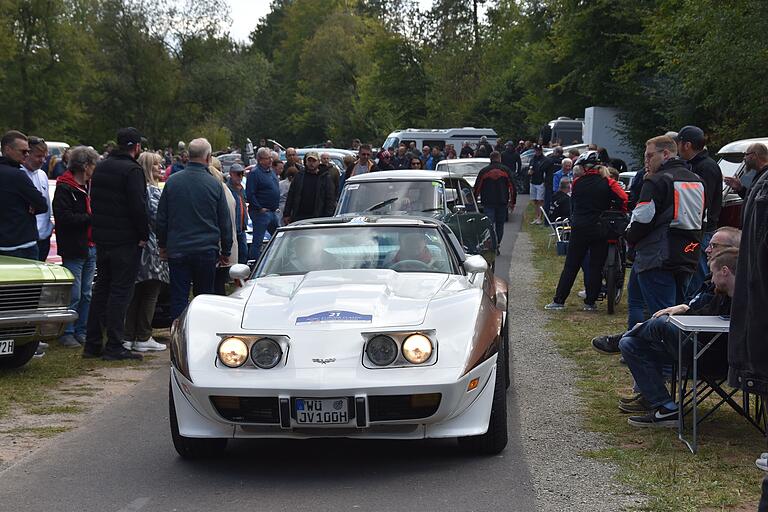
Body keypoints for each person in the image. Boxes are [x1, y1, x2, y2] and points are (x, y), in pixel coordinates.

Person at [617, 247, 738, 427]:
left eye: (713, 274)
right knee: (629, 344)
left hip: (719, 358)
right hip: (698, 348)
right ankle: (666, 408)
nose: (711, 279)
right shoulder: (718, 293)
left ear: (725, 271)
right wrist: (684, 309)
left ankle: (623, 336)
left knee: (661, 323)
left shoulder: (749, 298)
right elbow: (699, 313)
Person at [83, 127, 149, 361]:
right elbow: (137, 206)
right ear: (137, 147)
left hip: (103, 237)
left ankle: (92, 343)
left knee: (102, 288)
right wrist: (144, 233)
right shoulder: (132, 170)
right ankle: (114, 344)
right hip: (125, 239)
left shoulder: (101, 167)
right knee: (121, 292)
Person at [625, 135, 704, 321]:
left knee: (662, 316)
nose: (646, 161)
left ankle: (639, 347)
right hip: (687, 253)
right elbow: (704, 217)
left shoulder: (656, 181)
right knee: (677, 310)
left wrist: (628, 236)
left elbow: (642, 219)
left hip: (657, 255)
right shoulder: (697, 180)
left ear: (666, 154)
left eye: (650, 156)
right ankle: (634, 344)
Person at [156, 138, 232, 321]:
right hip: (206, 249)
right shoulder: (214, 184)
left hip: (178, 248)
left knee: (179, 296)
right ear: (207, 157)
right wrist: (226, 250)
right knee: (204, 298)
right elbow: (224, 221)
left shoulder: (172, 182)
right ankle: (201, 332)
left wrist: (163, 244)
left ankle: (178, 334)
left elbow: (162, 217)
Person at [545, 151, 628, 311]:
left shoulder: (577, 182)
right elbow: (623, 198)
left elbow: (574, 204)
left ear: (584, 168)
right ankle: (590, 303)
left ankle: (559, 301)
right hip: (600, 227)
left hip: (580, 227)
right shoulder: (608, 182)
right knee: (595, 266)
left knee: (571, 265)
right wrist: (618, 208)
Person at [53, 146, 99, 348]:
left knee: (87, 292)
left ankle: (82, 329)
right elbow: (64, 218)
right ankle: (67, 331)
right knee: (74, 293)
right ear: (85, 166)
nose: (94, 169)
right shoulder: (65, 188)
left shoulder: (89, 188)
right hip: (74, 247)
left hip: (90, 245)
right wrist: (90, 218)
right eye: (92, 164)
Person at [123, 151, 169, 352]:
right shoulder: (152, 191)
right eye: (157, 165)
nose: (161, 168)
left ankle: (127, 335)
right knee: (150, 292)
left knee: (135, 292)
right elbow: (158, 218)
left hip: (136, 244)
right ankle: (143, 335)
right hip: (151, 247)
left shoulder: (135, 190)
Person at [676, 126, 723, 297]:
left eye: (679, 143)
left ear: (687, 145)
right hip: (695, 228)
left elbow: (704, 200)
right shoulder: (693, 165)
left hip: (702, 229)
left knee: (698, 272)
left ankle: (696, 304)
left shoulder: (706, 167)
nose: (678, 147)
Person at [20, 137, 54, 261]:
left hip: (44, 237)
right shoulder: (18, 174)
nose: (43, 161)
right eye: (39, 156)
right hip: (26, 240)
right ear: (27, 154)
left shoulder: (42, 174)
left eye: (45, 156)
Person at [209, 157, 239, 296]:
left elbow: (222, 221)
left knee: (215, 286)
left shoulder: (217, 190)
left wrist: (223, 249)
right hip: (228, 242)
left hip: (219, 246)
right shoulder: (225, 188)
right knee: (219, 284)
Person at [474, 151, 515, 249]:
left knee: (489, 224)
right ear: (499, 158)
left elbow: (477, 187)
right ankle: (497, 244)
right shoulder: (505, 170)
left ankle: (490, 243)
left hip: (488, 202)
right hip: (502, 201)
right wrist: (512, 202)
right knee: (500, 225)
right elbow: (512, 187)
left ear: (490, 158)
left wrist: (475, 200)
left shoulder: (484, 171)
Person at [245, 147, 280, 260]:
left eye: (271, 157)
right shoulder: (255, 173)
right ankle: (253, 263)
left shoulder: (271, 172)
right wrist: (259, 208)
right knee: (258, 241)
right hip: (261, 213)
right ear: (260, 160)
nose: (270, 160)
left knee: (278, 238)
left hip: (273, 212)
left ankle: (276, 260)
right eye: (267, 158)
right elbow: (250, 193)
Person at [283, 151, 336, 224]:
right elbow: (291, 195)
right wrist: (287, 214)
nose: (311, 163)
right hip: (299, 216)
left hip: (318, 217)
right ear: (306, 162)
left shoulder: (325, 177)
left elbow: (330, 198)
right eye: (309, 161)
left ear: (318, 162)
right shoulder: (299, 176)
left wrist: (328, 216)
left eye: (314, 161)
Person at [227, 164, 249, 264]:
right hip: (233, 228)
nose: (240, 176)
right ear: (231, 174)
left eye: (241, 174)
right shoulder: (227, 190)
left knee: (244, 253)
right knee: (234, 256)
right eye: (237, 174)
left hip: (241, 228)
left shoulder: (241, 188)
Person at [528, 145, 546, 224]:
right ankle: (536, 216)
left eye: (539, 150)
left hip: (540, 182)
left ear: (541, 151)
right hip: (533, 181)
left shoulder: (544, 160)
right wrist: (529, 172)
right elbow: (530, 168)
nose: (537, 152)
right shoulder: (532, 159)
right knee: (535, 200)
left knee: (540, 200)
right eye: (536, 150)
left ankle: (540, 217)